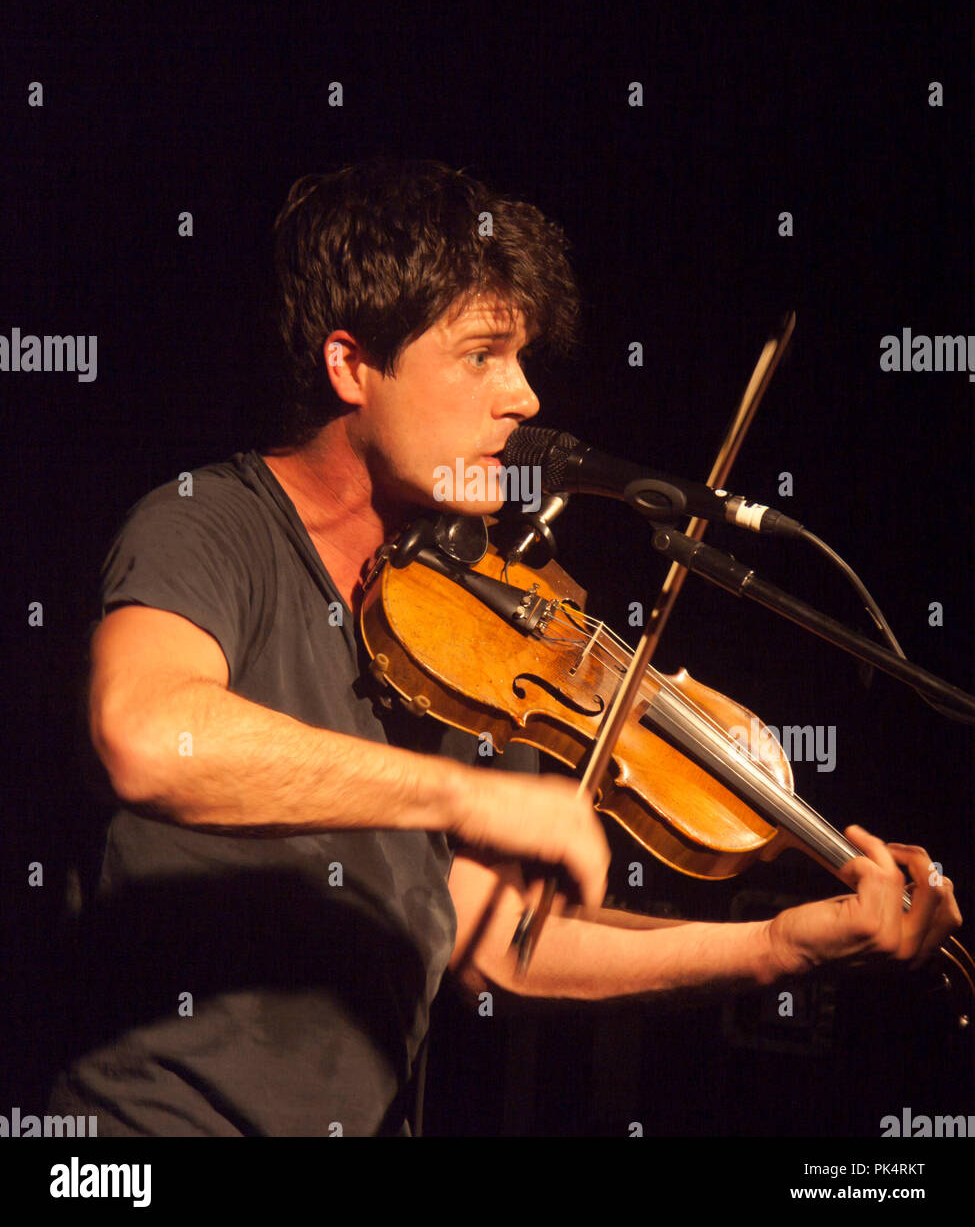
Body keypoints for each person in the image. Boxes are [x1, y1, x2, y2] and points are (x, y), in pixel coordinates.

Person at [48, 160, 961, 1136]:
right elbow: (147, 734)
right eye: (482, 355)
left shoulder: (452, 621)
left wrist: (779, 947)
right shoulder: (207, 523)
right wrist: (469, 792)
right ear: (350, 364)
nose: (524, 396)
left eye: (522, 357)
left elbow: (497, 942)